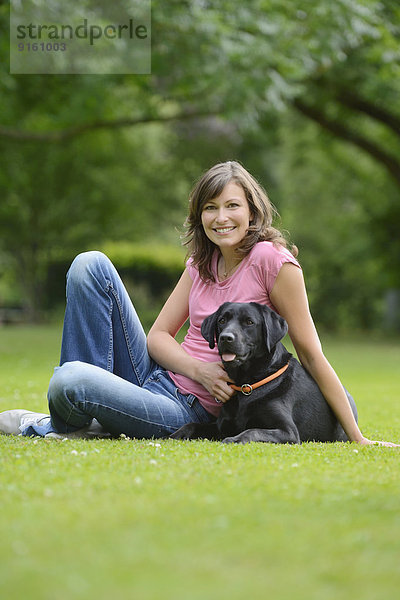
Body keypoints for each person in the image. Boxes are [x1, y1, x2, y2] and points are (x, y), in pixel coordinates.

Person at [0, 161, 398, 446]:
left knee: (69, 380)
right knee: (91, 265)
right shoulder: (201, 262)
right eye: (210, 207)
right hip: (156, 376)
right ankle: (79, 420)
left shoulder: (274, 262)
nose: (220, 217)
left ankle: (63, 421)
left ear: (253, 211)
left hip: (186, 410)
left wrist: (357, 436)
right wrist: (200, 369)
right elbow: (158, 336)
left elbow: (311, 354)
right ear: (199, 215)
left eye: (232, 206)